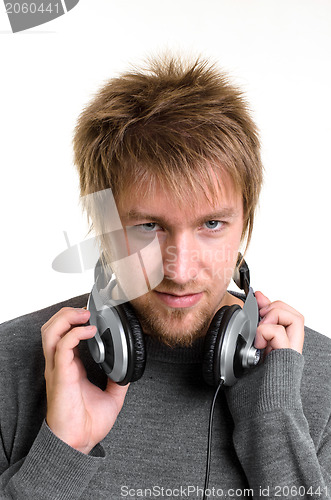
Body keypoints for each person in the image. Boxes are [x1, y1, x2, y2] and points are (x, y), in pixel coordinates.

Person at [0, 55, 330, 500]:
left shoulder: (320, 379)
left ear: (245, 223)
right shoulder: (10, 365)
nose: (179, 270)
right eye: (147, 226)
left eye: (212, 225)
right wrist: (61, 452)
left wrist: (273, 425)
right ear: (104, 224)